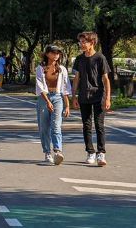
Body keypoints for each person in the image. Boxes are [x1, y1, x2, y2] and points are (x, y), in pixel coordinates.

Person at [72, 31, 112, 167]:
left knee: (99, 125)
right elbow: (76, 79)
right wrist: (74, 97)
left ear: (92, 42)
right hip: (84, 96)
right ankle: (90, 152)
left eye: (84, 42)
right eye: (80, 42)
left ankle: (101, 153)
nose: (81, 44)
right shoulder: (79, 59)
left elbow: (106, 80)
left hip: (98, 95)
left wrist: (107, 98)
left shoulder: (100, 58)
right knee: (86, 126)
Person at [36, 45, 72, 165]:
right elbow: (40, 87)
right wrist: (47, 101)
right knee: (44, 127)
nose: (56, 55)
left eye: (58, 53)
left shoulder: (62, 69)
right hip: (44, 98)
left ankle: (58, 151)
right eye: (54, 52)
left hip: (57, 98)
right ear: (47, 54)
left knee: (56, 125)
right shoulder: (40, 68)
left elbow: (66, 89)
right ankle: (47, 152)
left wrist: (67, 105)